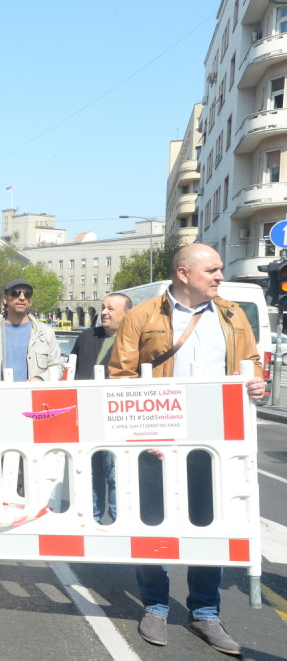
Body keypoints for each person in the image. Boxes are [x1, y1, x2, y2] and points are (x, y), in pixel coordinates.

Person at [109, 243, 264, 656]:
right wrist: (147, 433)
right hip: (155, 441)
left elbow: (251, 365)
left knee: (207, 525)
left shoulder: (233, 315)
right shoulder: (143, 316)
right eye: (211, 270)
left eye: (219, 270)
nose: (219, 276)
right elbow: (119, 376)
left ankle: (205, 614)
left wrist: (256, 383)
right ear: (183, 273)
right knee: (153, 523)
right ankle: (156, 606)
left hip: (214, 440)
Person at [69, 293, 131, 524]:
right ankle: (93, 519)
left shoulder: (133, 342)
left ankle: (117, 521)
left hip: (116, 418)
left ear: (126, 313)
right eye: (103, 308)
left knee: (114, 474)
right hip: (86, 417)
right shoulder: (87, 336)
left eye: (111, 309)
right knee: (91, 473)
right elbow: (72, 370)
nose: (104, 312)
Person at [0, 279, 62, 383]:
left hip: (32, 397)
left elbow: (57, 366)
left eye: (27, 294)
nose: (22, 298)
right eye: (15, 293)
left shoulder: (46, 333)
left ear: (30, 301)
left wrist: (40, 379)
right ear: (5, 299)